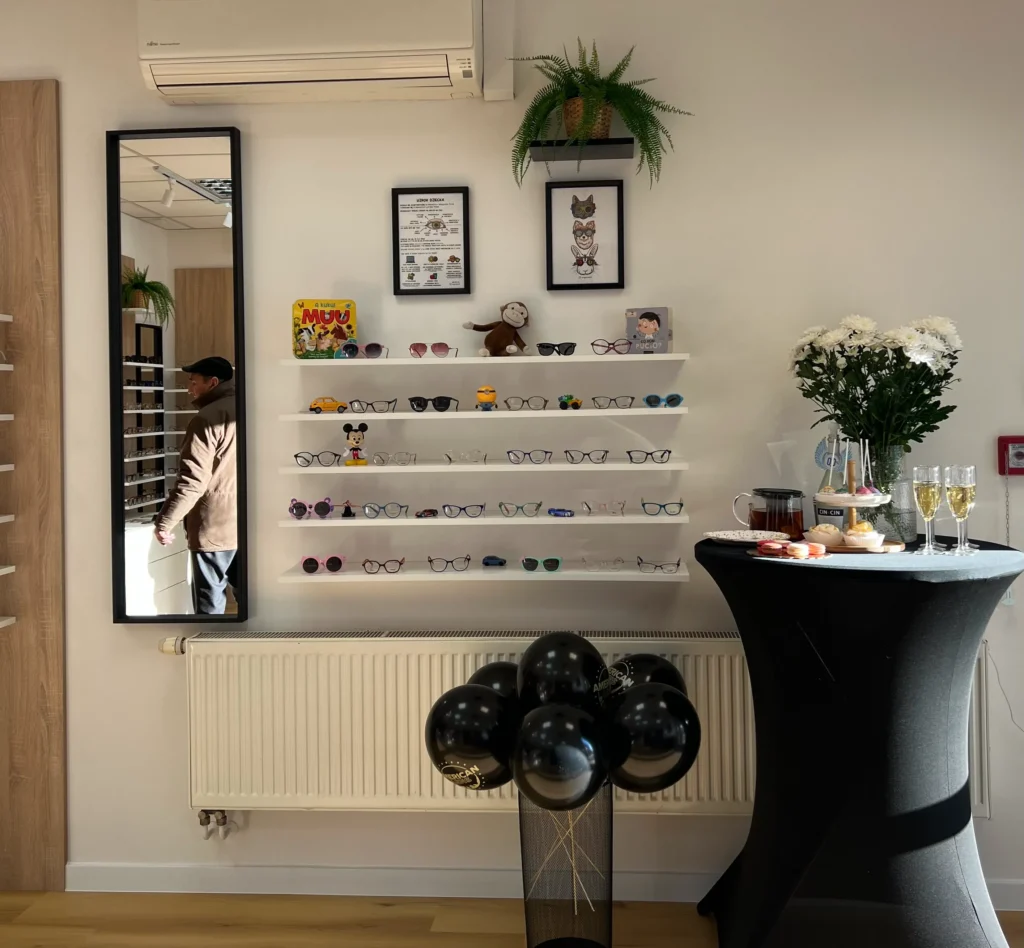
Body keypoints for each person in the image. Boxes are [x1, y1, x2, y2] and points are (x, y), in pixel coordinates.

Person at [154, 356, 238, 615]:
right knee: (254, 604)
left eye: (193, 383)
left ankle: (213, 643)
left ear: (212, 383)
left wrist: (165, 522)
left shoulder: (206, 419)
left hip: (214, 526)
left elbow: (192, 481)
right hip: (248, 525)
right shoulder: (250, 408)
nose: (189, 389)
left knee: (209, 606)